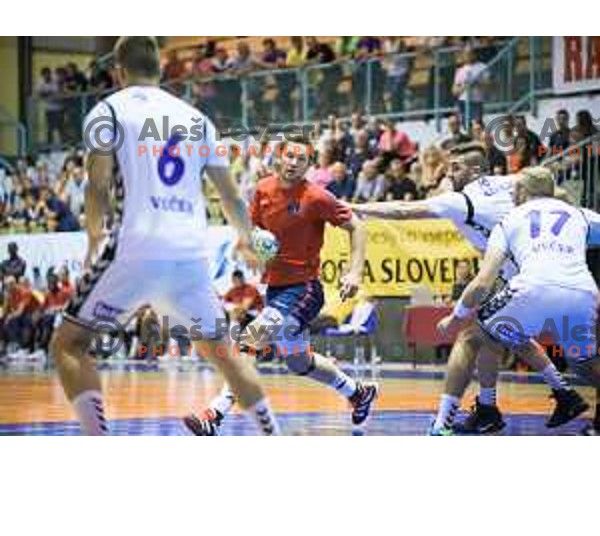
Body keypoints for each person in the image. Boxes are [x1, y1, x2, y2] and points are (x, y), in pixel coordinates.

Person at [50, 36, 279, 436]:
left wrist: (91, 239)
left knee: (69, 344)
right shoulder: (197, 119)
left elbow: (97, 187)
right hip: (189, 257)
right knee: (225, 355)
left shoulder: (108, 110)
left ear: (119, 71)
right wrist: (245, 236)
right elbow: (229, 195)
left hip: (135, 248)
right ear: (159, 69)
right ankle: (274, 436)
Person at [352, 144, 587, 434]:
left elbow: (403, 209)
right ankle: (508, 405)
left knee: (468, 337)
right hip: (549, 277)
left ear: (476, 171)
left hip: (529, 281)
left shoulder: (463, 200)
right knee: (502, 336)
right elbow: (556, 191)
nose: (449, 172)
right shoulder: (511, 182)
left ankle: (442, 423)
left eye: (456, 167)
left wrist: (355, 207)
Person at [184, 134, 378, 436]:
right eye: (290, 156)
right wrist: (249, 250)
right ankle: (357, 393)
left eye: (302, 159)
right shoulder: (262, 190)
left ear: (308, 165)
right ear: (279, 157)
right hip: (275, 289)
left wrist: (355, 273)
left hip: (304, 290)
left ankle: (215, 414)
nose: (294, 163)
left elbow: (357, 225)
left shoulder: (316, 197)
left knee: (250, 339)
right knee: (299, 362)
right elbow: (250, 235)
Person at [437, 166, 600, 433]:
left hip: (534, 291)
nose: (511, 193)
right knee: (583, 364)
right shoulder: (579, 214)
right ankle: (563, 396)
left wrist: (455, 316)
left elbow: (482, 282)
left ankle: (452, 420)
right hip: (581, 295)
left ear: (523, 191)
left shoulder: (510, 219)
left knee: (474, 335)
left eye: (515, 189)